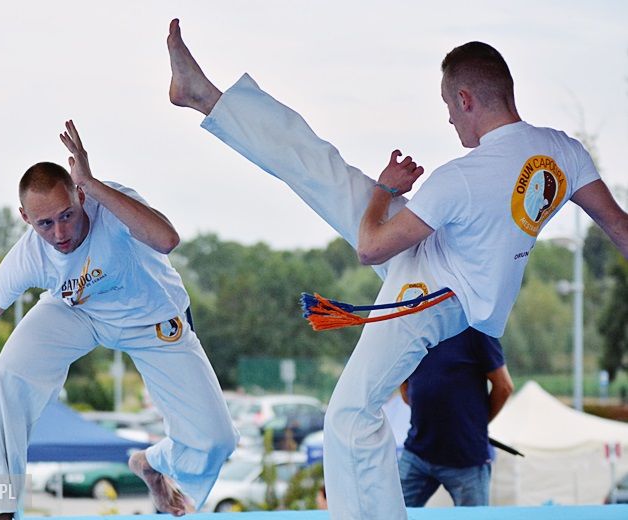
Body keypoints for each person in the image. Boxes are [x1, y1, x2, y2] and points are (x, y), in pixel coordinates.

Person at [165, 18, 628, 519]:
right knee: (323, 169)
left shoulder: (461, 178)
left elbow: (370, 247)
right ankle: (205, 96)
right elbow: (619, 227)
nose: (451, 121)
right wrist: (382, 195)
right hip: (441, 260)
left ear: (467, 98)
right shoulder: (563, 150)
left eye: (450, 107)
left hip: (428, 294)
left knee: (349, 414)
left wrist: (386, 191)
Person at [0, 120, 238, 518]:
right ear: (25, 218)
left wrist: (94, 184)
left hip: (152, 320)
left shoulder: (112, 204)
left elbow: (167, 240)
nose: (59, 233)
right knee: (6, 377)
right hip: (77, 313)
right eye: (44, 223)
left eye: (67, 215)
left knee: (217, 440)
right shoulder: (30, 254)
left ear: (80, 197)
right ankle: (3, 511)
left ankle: (152, 462)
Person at [398, 328, 513, 507]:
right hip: (418, 452)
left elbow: (504, 387)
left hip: (466, 459)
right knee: (389, 511)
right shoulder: (417, 328)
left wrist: (478, 424)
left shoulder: (477, 330)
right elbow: (402, 378)